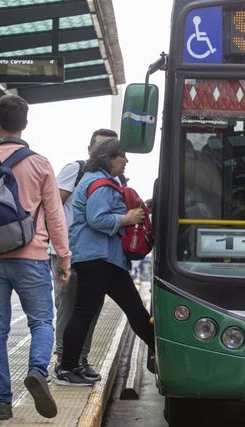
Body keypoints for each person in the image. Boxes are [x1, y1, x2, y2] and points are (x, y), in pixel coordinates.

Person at [0, 94, 70, 421]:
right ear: (25, 123)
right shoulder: (39, 163)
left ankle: (2, 401)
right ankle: (37, 370)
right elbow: (54, 215)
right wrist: (63, 258)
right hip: (32, 258)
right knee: (41, 321)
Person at [56, 138, 155, 386]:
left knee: (135, 309)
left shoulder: (103, 183)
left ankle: (164, 351)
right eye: (123, 155)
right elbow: (97, 219)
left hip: (107, 259)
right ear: (109, 157)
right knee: (84, 312)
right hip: (94, 258)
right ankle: (66, 369)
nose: (127, 160)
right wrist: (127, 218)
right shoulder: (99, 184)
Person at [51, 128, 117, 381]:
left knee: (90, 306)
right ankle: (63, 360)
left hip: (93, 254)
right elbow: (52, 206)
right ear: (89, 149)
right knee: (68, 305)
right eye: (99, 148)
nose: (103, 154)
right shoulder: (74, 170)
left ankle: (80, 359)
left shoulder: (111, 178)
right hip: (67, 250)